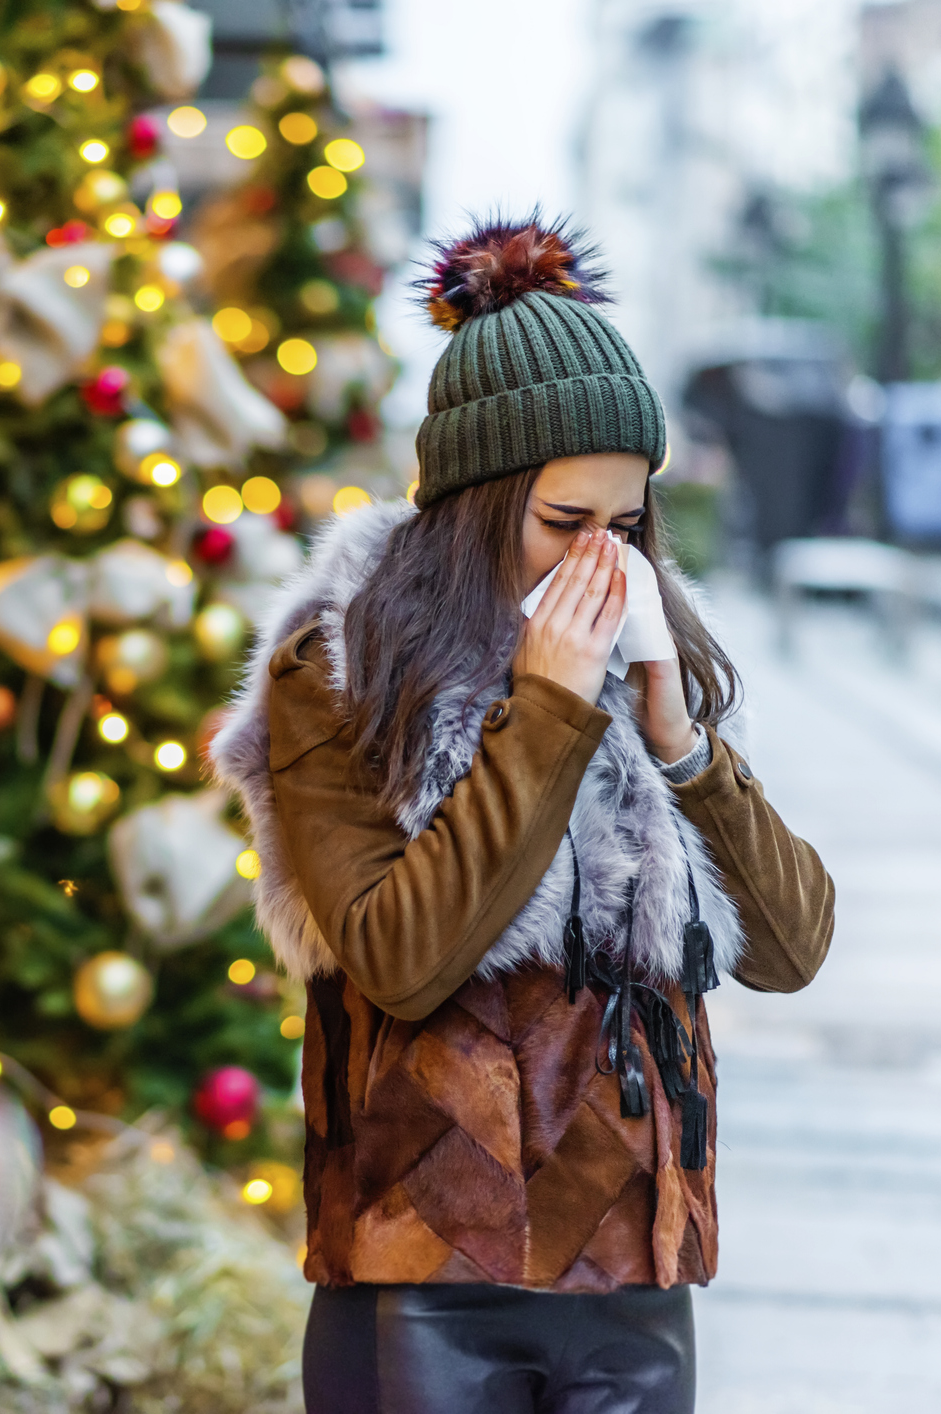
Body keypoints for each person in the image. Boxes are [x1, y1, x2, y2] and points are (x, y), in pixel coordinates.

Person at [211, 215, 835, 1413]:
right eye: (565, 524)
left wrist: (683, 747)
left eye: (629, 524)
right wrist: (542, 711)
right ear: (476, 499)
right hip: (420, 1273)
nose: (604, 563)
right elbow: (401, 956)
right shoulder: (339, 663)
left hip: (636, 1277)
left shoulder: (659, 660)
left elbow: (794, 949)